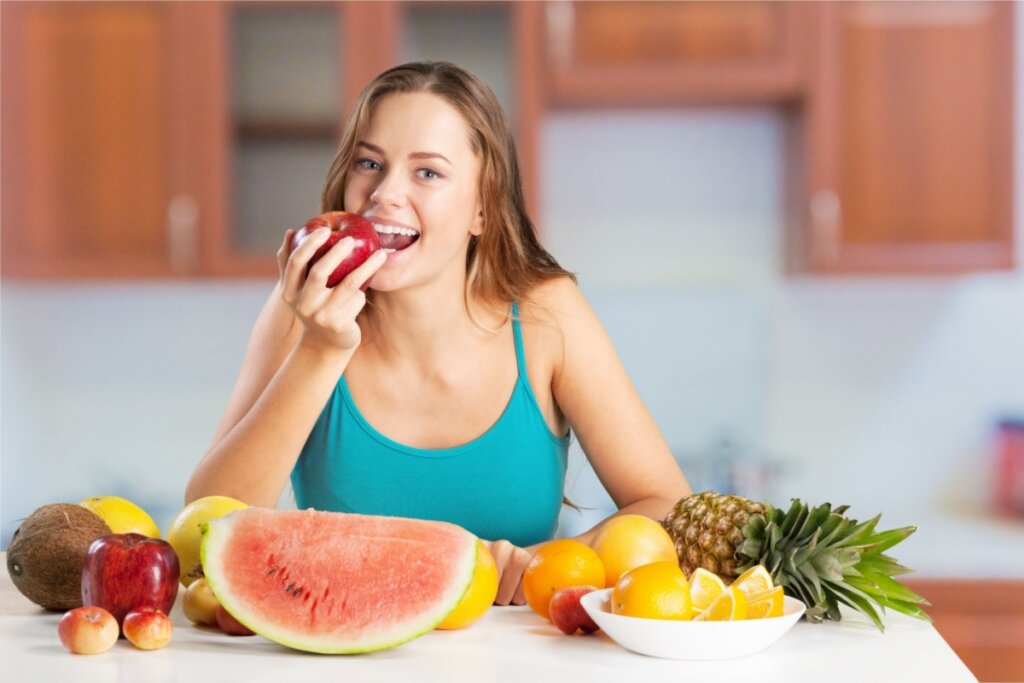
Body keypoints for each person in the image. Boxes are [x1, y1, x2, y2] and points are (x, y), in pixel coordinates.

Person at [185, 61, 690, 606]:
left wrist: (550, 563)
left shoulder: (546, 316)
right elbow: (206, 529)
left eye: (427, 172)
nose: (385, 193)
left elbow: (666, 503)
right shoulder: (302, 311)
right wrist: (321, 347)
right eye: (369, 162)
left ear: (482, 209)